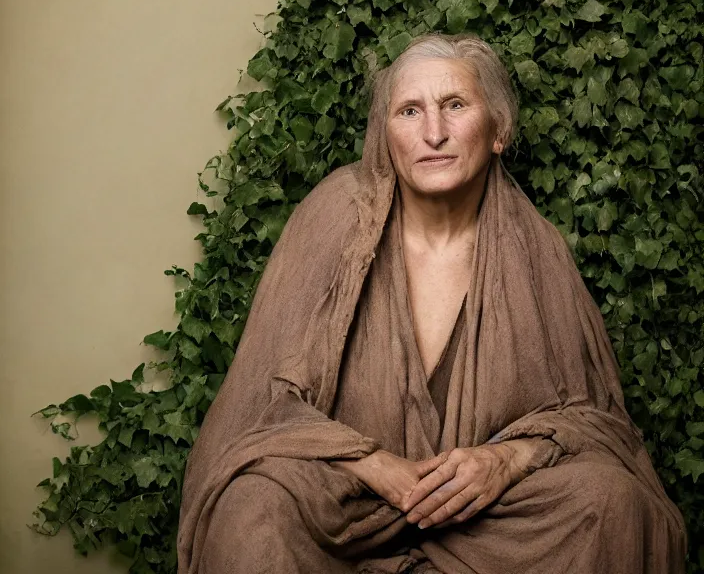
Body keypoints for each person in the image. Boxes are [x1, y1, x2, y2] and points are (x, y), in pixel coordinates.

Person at [176, 33, 687, 573]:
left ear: (499, 130)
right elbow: (265, 402)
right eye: (410, 111)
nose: (434, 133)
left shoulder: (536, 248)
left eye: (455, 106)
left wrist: (506, 459)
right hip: (344, 506)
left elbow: (594, 420)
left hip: (491, 519)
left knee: (611, 501)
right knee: (251, 506)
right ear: (385, 136)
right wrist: (370, 462)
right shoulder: (335, 217)